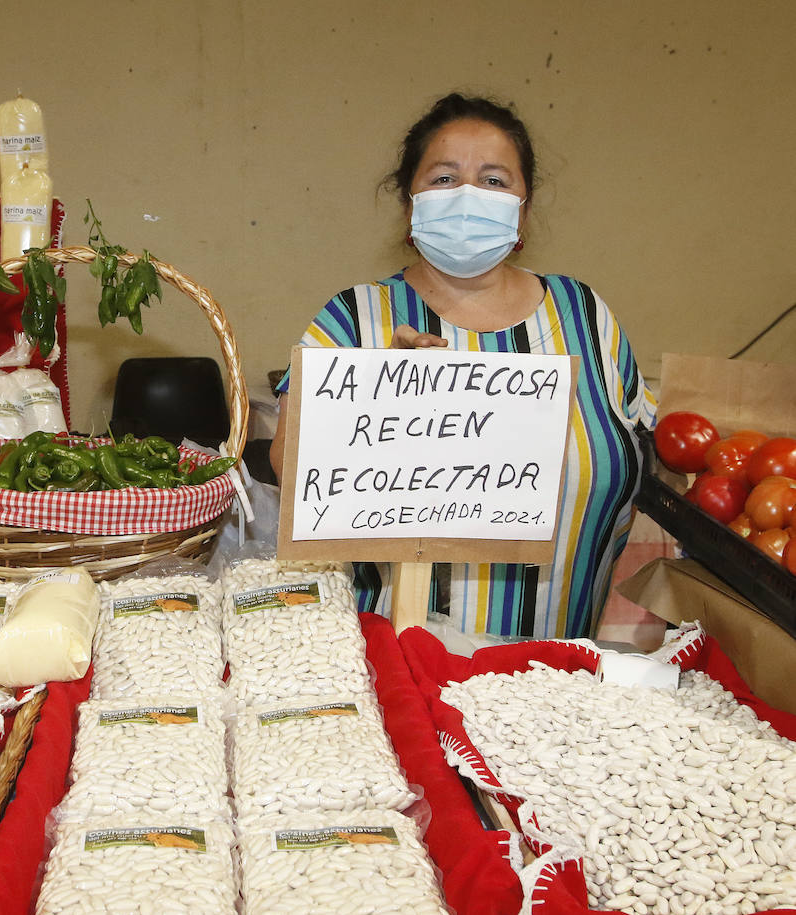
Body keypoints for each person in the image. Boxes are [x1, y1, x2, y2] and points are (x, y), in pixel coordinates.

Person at [269, 92, 656, 640]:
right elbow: (292, 472)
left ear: (524, 207)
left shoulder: (586, 315)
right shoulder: (353, 319)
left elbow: (652, 465)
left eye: (495, 181)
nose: (469, 196)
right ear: (410, 203)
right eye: (445, 178)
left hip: (561, 669)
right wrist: (378, 402)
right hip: (401, 669)